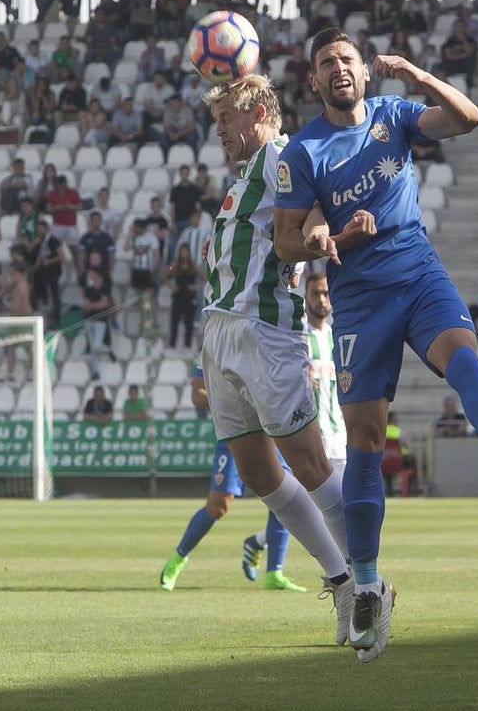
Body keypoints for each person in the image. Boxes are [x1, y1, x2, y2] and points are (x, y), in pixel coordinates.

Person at [272, 27, 478, 663]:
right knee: (363, 438)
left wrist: (413, 72)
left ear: (365, 71)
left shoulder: (395, 114)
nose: (338, 68)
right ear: (313, 80)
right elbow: (287, 239)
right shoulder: (302, 151)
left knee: (461, 356)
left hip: (417, 271)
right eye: (327, 62)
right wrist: (325, 243)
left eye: (348, 60)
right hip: (359, 301)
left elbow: (468, 118)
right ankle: (366, 587)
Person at [197, 74, 356, 645]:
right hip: (223, 331)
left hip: (265, 331)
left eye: (228, 119)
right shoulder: (245, 180)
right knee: (262, 475)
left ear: (262, 113)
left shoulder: (280, 156)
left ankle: (367, 581)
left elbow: (310, 209)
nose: (220, 131)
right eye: (215, 122)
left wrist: (318, 237)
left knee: (310, 466)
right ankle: (340, 579)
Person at [241, 271, 349, 583]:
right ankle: (280, 569)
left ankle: (259, 541)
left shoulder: (335, 336)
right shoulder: (296, 334)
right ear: (306, 295)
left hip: (338, 433)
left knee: (331, 509)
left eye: (326, 293)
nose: (322, 299)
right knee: (297, 501)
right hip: (306, 434)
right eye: (316, 293)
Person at [160, 363, 307, 593]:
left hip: (270, 432)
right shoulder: (216, 342)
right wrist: (232, 403)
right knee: (218, 506)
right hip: (234, 432)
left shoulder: (265, 339)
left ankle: (274, 573)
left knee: (284, 496)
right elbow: (197, 394)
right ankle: (177, 559)